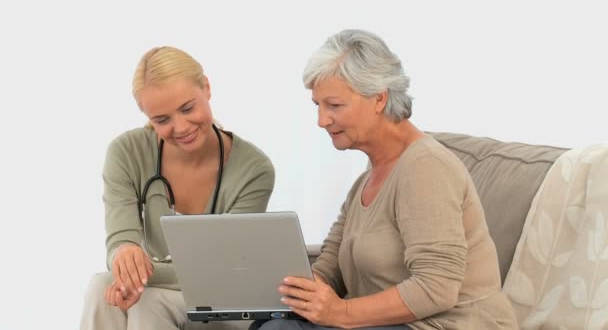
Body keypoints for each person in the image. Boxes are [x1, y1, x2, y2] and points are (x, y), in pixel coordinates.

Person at [255, 29, 518, 330]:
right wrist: (297, 292)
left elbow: (437, 286)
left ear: (379, 98)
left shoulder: (425, 167)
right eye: (318, 106)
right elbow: (331, 266)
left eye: (334, 105)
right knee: (272, 323)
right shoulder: (367, 180)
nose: (322, 120)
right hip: (394, 325)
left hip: (446, 325)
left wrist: (342, 313)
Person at [80, 46, 275, 330]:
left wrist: (140, 275)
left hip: (219, 303)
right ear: (147, 117)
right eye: (162, 120)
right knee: (102, 289)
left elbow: (223, 271)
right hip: (158, 293)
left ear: (206, 88)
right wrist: (125, 256)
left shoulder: (253, 169)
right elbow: (119, 242)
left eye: (188, 108)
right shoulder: (126, 152)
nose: (181, 127)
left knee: (145, 300)